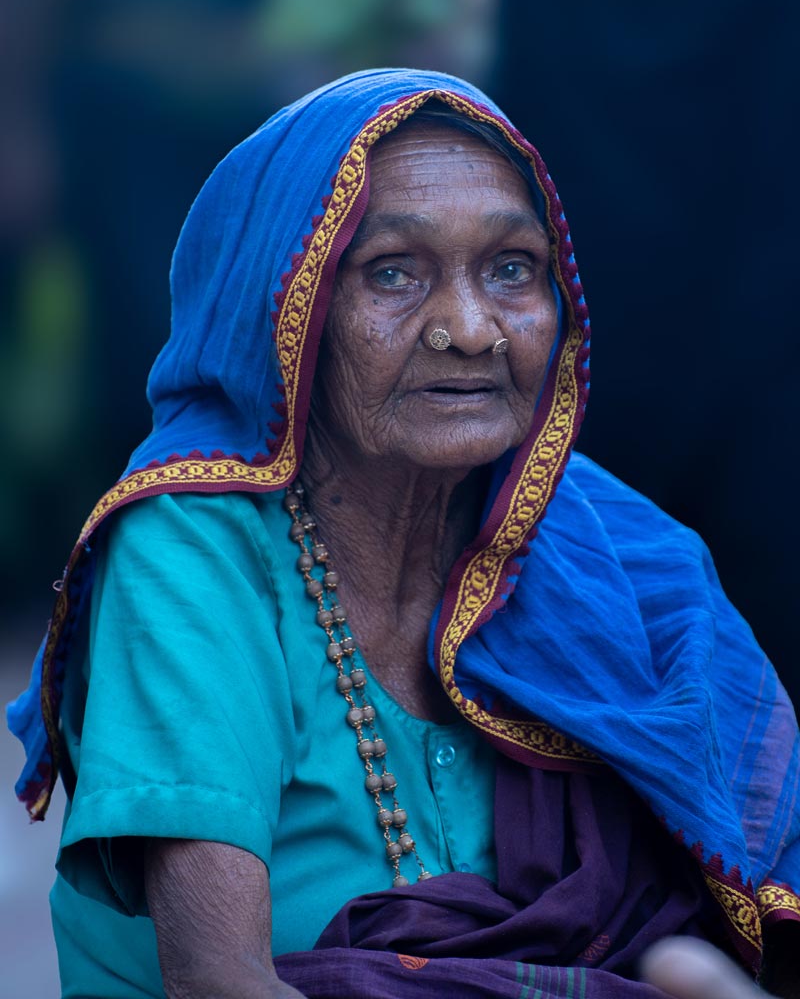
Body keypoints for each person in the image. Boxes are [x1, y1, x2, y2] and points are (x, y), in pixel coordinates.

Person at [8, 69, 800, 998]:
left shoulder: (601, 547)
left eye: (512, 269)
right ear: (282, 313)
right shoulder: (192, 546)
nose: (471, 328)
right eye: (393, 272)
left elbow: (693, 913)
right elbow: (217, 981)